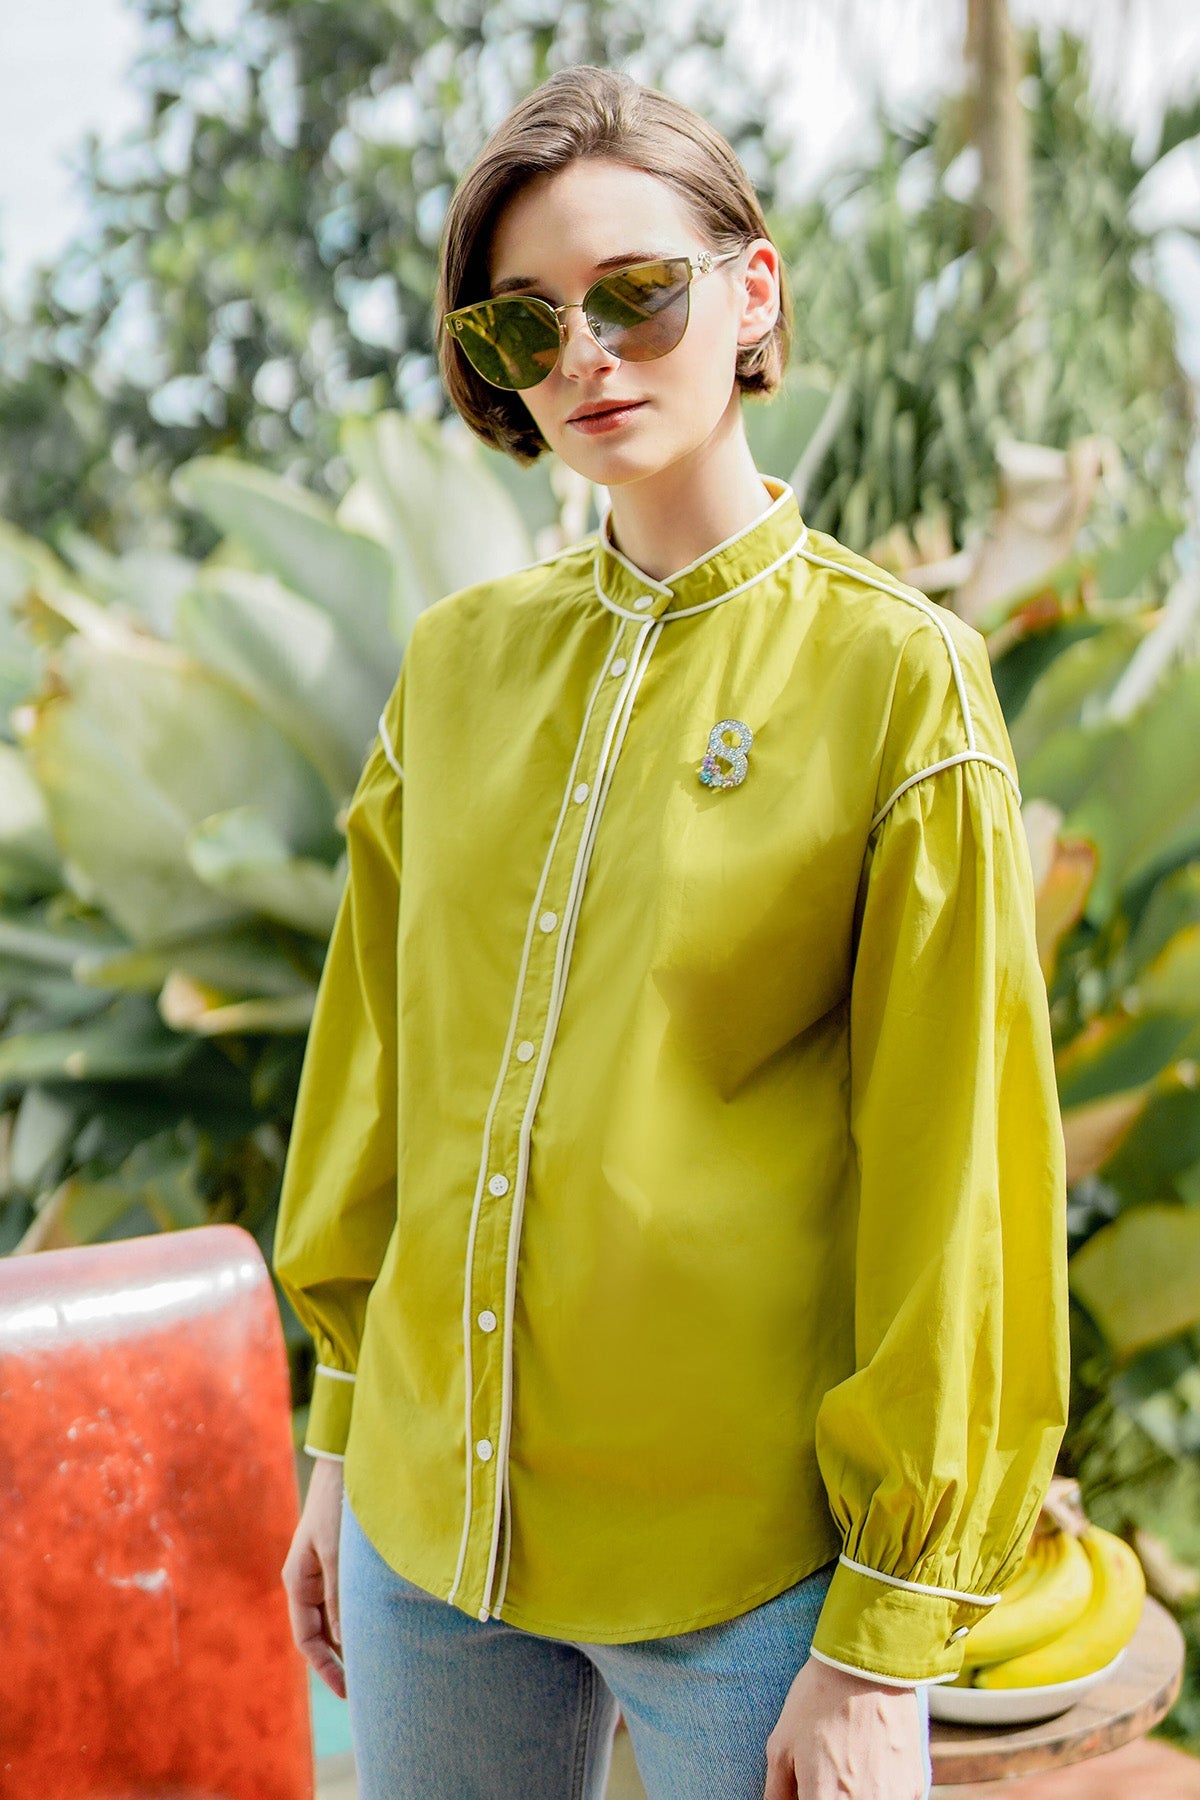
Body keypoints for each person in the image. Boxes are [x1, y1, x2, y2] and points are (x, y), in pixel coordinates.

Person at [273, 62, 1070, 1800]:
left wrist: (884, 1638)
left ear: (752, 291)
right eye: (524, 323)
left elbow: (958, 1182)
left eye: (636, 293)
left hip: (749, 1588)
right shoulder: (457, 667)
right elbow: (378, 1075)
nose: (587, 355)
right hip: (431, 1545)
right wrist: (339, 1445)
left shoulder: (898, 683)